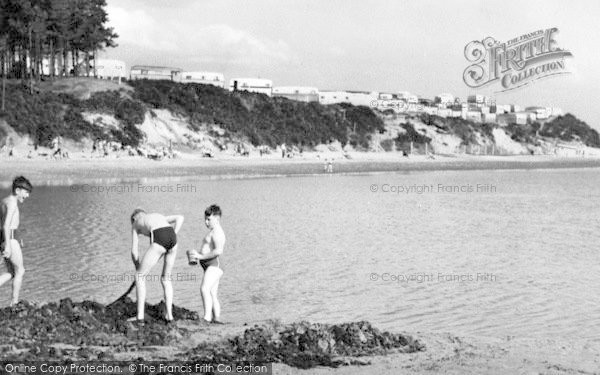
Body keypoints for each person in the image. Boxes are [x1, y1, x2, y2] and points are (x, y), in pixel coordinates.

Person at [130, 209, 184, 323]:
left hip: (160, 236)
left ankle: (140, 318)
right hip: (173, 239)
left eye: (140, 233)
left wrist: (138, 268)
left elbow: (134, 252)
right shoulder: (159, 216)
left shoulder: (135, 223)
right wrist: (174, 234)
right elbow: (180, 218)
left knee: (139, 277)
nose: (141, 234)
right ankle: (170, 316)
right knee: (166, 279)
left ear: (135, 218)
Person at [187, 205, 225, 324]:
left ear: (217, 219)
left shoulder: (218, 232)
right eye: (205, 219)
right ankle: (216, 319)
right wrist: (197, 254)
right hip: (209, 265)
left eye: (209, 219)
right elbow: (209, 249)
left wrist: (200, 256)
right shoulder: (213, 231)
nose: (206, 222)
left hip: (215, 265)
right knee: (212, 293)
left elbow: (218, 251)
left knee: (204, 289)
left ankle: (207, 318)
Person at [0, 176, 33, 306]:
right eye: (26, 192)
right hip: (10, 239)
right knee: (20, 271)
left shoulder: (4, 201)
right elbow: (6, 225)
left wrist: (17, 239)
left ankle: (13, 301)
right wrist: (8, 245)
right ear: (18, 190)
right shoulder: (13, 203)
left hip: (6, 238)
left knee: (11, 272)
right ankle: (14, 302)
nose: (27, 195)